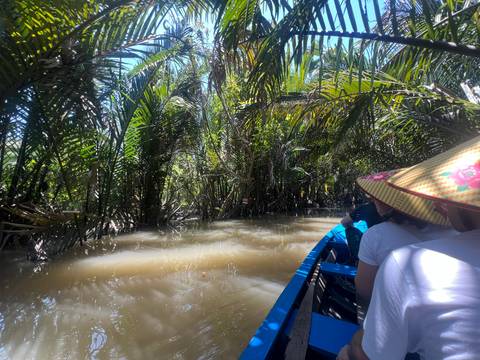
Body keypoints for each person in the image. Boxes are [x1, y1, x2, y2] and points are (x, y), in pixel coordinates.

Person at [338, 135, 480, 360]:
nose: (440, 204)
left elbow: (364, 290)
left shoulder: (401, 260)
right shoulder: (448, 232)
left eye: (377, 197)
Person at [352, 170, 453, 308]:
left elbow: (364, 290)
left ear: (385, 202)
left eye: (376, 197)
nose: (374, 200)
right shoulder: (452, 229)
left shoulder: (375, 235)